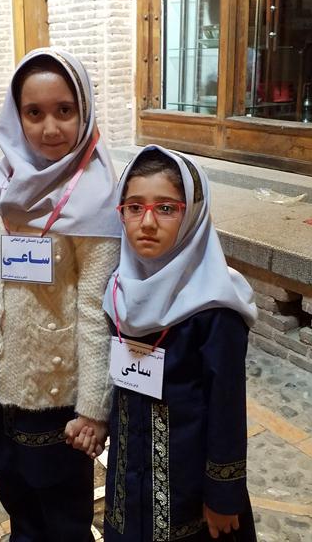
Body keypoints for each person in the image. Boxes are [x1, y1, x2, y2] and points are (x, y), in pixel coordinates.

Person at [0, 48, 121, 541]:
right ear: (16, 115)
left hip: (57, 387)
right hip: (0, 375)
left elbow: (96, 312)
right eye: (34, 112)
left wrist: (93, 407)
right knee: (16, 495)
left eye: (64, 110)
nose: (49, 128)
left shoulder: (96, 195)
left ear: (84, 110)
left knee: (62, 511)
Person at [100, 146, 258, 541]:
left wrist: (223, 494)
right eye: (134, 207)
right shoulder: (119, 290)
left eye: (166, 208)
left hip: (188, 487)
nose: (147, 222)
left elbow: (226, 407)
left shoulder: (215, 306)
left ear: (193, 215)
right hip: (128, 475)